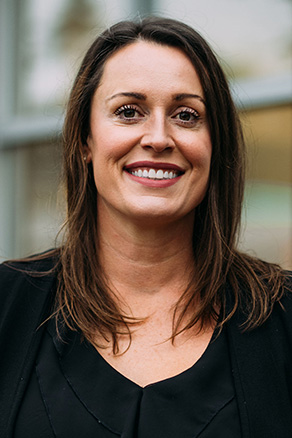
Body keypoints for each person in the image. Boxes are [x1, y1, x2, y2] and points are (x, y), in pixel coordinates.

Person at [0, 16, 291, 438]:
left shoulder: (283, 319)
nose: (158, 137)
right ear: (85, 140)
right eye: (128, 112)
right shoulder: (7, 305)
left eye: (187, 115)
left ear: (216, 144)